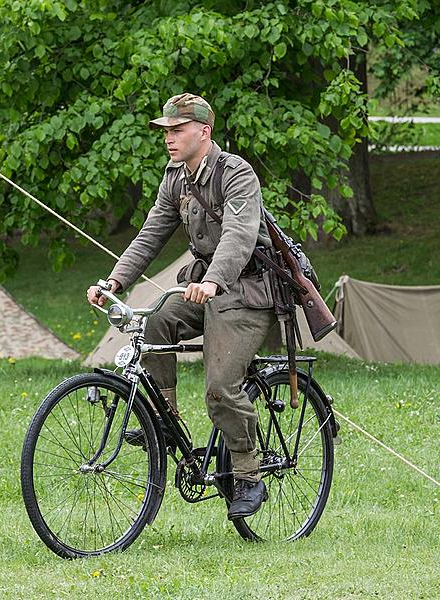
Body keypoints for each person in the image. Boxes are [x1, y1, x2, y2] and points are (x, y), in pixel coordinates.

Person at [86, 93, 276, 519]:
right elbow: (150, 234)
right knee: (154, 322)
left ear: (203, 132)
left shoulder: (236, 174)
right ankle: (163, 421)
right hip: (206, 289)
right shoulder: (175, 178)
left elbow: (239, 236)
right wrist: (114, 280)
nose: (169, 139)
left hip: (244, 293)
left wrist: (212, 280)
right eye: (166, 131)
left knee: (220, 388)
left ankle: (248, 475)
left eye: (177, 130)